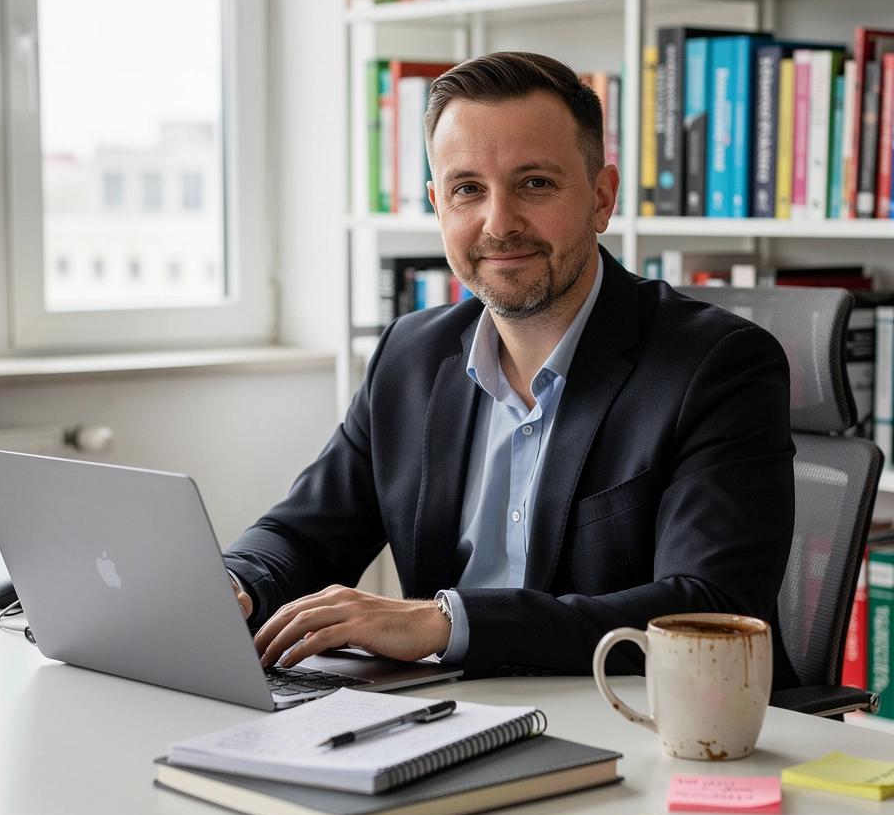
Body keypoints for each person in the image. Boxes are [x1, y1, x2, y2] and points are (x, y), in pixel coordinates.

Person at [223, 50, 797, 685]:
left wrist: (445, 623)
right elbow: (303, 535)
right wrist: (234, 585)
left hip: (638, 726)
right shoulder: (409, 357)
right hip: (448, 720)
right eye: (468, 189)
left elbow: (707, 610)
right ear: (439, 205)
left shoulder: (716, 366)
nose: (499, 223)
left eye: (536, 184)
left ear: (601, 199)